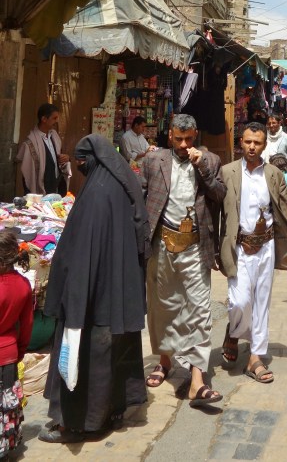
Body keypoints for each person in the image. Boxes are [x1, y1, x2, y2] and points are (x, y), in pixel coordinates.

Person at [40, 135, 150, 442]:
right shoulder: (121, 187)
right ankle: (113, 413)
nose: (80, 167)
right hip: (119, 292)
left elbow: (82, 251)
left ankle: (77, 424)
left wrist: (72, 298)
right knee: (115, 350)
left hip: (93, 297)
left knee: (88, 354)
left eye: (81, 161)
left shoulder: (97, 194)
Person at [140, 113, 226, 408]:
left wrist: (201, 165)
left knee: (200, 310)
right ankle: (164, 361)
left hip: (195, 248)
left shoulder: (210, 160)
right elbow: (140, 196)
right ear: (170, 136)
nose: (184, 145)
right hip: (163, 245)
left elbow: (219, 195)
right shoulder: (154, 161)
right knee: (164, 307)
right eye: (178, 139)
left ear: (196, 135)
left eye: (189, 139)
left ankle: (198, 381)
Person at [219, 123, 287, 383]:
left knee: (261, 302)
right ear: (240, 143)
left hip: (265, 246)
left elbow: (285, 210)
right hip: (238, 248)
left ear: (265, 145)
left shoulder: (274, 174)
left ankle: (255, 358)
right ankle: (233, 333)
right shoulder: (228, 172)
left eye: (257, 143)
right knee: (239, 301)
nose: (252, 147)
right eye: (247, 142)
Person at [0, 230, 33, 457]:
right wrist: (20, 350)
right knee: (6, 402)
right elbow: (27, 325)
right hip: (10, 353)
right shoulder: (23, 285)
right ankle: (7, 446)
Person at [16, 103, 71, 196]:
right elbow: (28, 173)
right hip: (40, 188)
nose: (57, 121)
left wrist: (66, 158)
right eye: (54, 118)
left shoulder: (54, 136)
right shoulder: (30, 144)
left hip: (55, 185)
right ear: (44, 119)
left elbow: (58, 157)